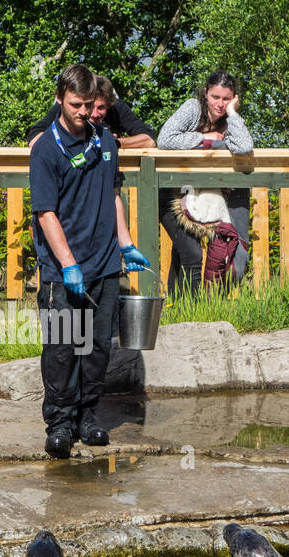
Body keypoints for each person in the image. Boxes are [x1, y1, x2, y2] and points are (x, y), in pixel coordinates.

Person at [29, 63, 151, 459]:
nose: (83, 112)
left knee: (98, 346)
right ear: (60, 100)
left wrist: (126, 242)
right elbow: (46, 213)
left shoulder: (106, 143)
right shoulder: (47, 149)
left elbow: (113, 193)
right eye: (75, 104)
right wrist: (67, 264)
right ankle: (60, 421)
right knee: (63, 345)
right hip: (62, 271)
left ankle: (88, 415)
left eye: (88, 105)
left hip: (104, 263)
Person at [156, 70, 254, 293]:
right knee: (191, 254)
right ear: (205, 93)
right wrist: (205, 139)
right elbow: (165, 139)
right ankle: (190, 312)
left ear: (234, 99)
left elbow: (244, 147)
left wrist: (232, 113)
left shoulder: (231, 120)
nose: (220, 104)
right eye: (215, 97)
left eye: (226, 98)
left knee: (185, 255)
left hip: (207, 196)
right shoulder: (193, 108)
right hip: (172, 193)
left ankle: (180, 309)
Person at [26, 74, 156, 149]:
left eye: (101, 108)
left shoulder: (117, 106)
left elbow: (149, 140)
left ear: (110, 103)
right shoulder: (66, 105)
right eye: (89, 106)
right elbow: (34, 139)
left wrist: (113, 142)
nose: (94, 114)